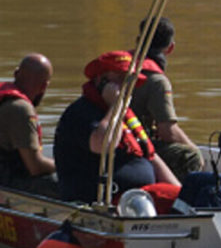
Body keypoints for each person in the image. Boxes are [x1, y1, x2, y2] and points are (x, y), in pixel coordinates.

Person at [54, 50, 180, 204]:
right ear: (101, 80)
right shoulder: (81, 112)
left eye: (131, 81)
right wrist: (116, 105)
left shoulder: (126, 115)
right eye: (121, 79)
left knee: (201, 186)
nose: (127, 87)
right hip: (109, 202)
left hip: (141, 198)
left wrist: (182, 194)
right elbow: (102, 144)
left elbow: (150, 157)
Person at [0, 54, 59, 197]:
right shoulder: (21, 109)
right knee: (63, 182)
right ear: (44, 86)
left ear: (16, 73)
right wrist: (65, 167)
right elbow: (35, 167)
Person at [129, 17, 203, 181]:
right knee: (190, 156)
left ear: (139, 41)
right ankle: (180, 199)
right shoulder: (157, 81)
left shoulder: (121, 68)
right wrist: (195, 150)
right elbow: (168, 131)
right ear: (170, 48)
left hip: (106, 139)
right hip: (129, 146)